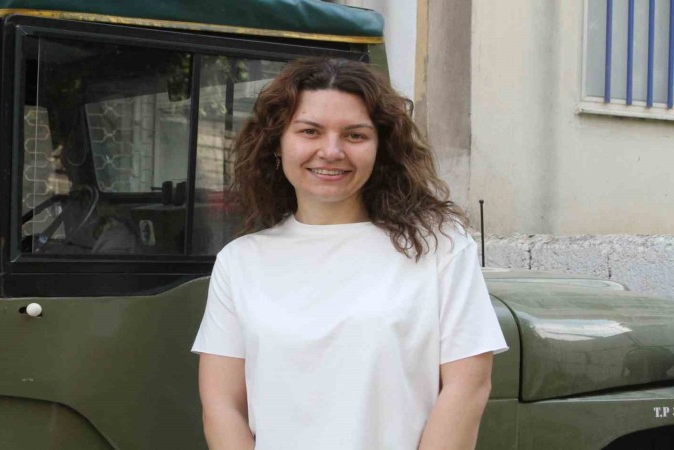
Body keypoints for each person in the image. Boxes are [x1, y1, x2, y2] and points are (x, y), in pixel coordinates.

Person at [191, 58, 507, 450]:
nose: (331, 151)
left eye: (355, 135)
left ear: (380, 148)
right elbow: (222, 406)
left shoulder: (439, 246)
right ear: (277, 143)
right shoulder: (239, 262)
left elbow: (467, 386)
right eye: (309, 131)